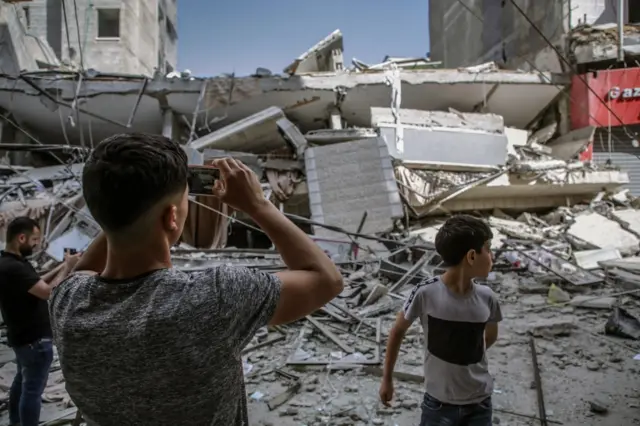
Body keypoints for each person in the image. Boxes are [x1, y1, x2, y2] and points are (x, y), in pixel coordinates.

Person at [49, 133, 344, 426]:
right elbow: (326, 279)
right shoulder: (215, 297)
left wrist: (127, 201)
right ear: (172, 219)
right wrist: (258, 205)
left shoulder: (66, 301)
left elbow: (85, 268)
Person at [379, 215, 502, 426]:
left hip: (479, 404)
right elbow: (397, 331)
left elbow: (490, 335)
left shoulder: (487, 297)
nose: (492, 256)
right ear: (472, 256)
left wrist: (464, 352)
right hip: (437, 403)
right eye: (488, 249)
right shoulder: (425, 293)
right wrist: (387, 379)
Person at [0, 217, 77, 426]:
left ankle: (15, 422)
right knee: (32, 391)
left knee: (21, 383)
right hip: (34, 341)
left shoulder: (10, 262)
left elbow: (36, 280)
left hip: (22, 338)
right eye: (34, 239)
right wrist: (67, 268)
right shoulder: (14, 267)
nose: (36, 244)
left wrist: (62, 265)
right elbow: (48, 292)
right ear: (21, 238)